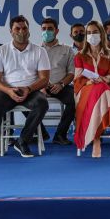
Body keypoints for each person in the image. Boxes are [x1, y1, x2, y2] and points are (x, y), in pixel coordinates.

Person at [0, 15, 50, 157]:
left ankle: (22, 141)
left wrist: (28, 89)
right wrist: (9, 90)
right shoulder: (1, 51)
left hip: (31, 90)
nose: (21, 31)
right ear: (11, 31)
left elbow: (44, 79)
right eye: (17, 28)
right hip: (7, 91)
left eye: (24, 28)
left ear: (29, 30)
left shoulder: (40, 51)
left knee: (42, 104)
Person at [73, 20, 110, 157]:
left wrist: (102, 79)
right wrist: (89, 82)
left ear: (101, 34)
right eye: (88, 33)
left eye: (95, 32)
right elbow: (77, 79)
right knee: (101, 88)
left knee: (102, 87)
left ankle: (97, 140)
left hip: (104, 90)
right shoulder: (79, 55)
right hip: (86, 90)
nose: (91, 35)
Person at [40, 17, 75, 145]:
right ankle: (41, 133)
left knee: (75, 100)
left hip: (61, 86)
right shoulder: (36, 50)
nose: (46, 31)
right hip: (40, 86)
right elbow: (31, 73)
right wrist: (41, 87)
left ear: (57, 31)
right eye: (44, 29)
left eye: (50, 29)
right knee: (24, 98)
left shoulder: (67, 49)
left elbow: (71, 72)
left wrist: (61, 84)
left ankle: (60, 135)